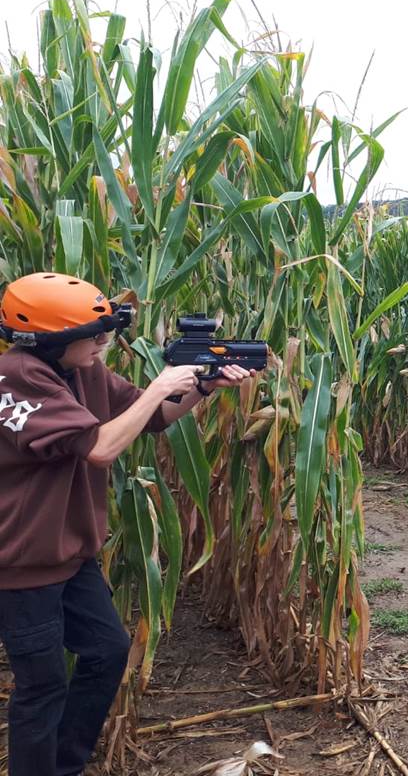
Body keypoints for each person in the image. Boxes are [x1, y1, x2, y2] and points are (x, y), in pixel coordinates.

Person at [0, 272, 256, 776]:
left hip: (70, 555)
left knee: (107, 652)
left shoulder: (84, 370)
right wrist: (162, 382)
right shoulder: (15, 378)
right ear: (48, 341)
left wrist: (202, 385)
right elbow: (99, 448)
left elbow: (154, 415)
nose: (103, 343)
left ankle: (63, 765)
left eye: (106, 331)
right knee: (42, 686)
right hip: (22, 563)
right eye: (92, 336)